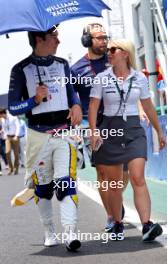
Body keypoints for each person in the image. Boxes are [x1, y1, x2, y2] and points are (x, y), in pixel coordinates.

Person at [8, 26, 82, 251]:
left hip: (64, 133)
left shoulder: (62, 64)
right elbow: (12, 107)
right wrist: (34, 100)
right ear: (39, 39)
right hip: (37, 137)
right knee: (43, 189)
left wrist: (77, 104)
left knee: (66, 183)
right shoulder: (20, 69)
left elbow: (71, 92)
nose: (58, 40)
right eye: (54, 36)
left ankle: (70, 233)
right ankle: (50, 231)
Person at [88, 39, 166, 242]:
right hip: (110, 131)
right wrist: (94, 131)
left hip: (134, 130)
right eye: (109, 50)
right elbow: (94, 108)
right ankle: (117, 223)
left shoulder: (139, 78)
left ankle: (147, 225)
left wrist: (159, 132)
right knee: (114, 184)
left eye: (114, 50)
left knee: (138, 178)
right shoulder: (102, 78)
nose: (109, 52)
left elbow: (148, 107)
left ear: (125, 54)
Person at [71, 23, 129, 232]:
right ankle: (112, 217)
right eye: (99, 38)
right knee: (103, 172)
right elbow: (71, 99)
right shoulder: (75, 69)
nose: (104, 41)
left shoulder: (116, 59)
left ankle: (116, 199)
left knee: (124, 172)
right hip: (93, 123)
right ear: (87, 41)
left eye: (106, 37)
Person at [0, 108, 20, 175]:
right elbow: (4, 128)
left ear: (3, 113)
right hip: (8, 137)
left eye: (0, 115)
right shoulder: (2, 120)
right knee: (7, 152)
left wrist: (16, 136)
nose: (0, 117)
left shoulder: (13, 117)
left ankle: (16, 168)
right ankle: (10, 168)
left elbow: (18, 126)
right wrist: (4, 134)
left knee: (16, 154)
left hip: (15, 136)